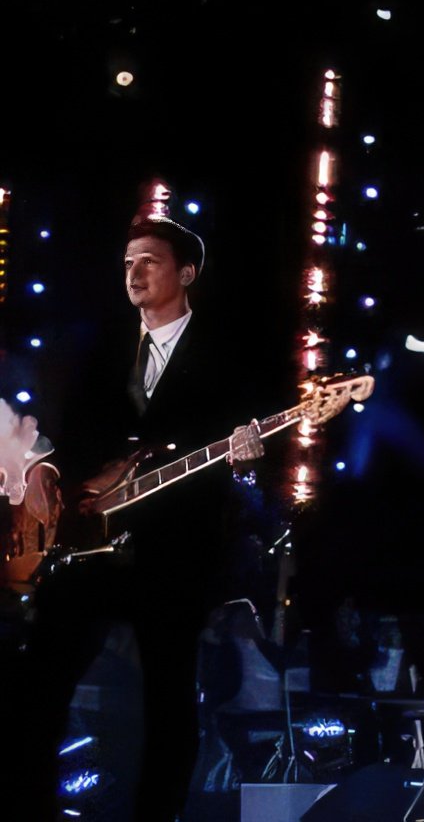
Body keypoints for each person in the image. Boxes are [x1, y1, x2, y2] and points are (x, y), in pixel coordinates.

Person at [6, 214, 269, 820]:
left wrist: (245, 462)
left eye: (149, 260)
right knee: (37, 681)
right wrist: (49, 475)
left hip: (173, 553)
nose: (135, 272)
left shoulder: (227, 357)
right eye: (128, 262)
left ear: (187, 273)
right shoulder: (101, 351)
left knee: (168, 699)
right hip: (87, 542)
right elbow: (65, 438)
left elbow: (245, 463)